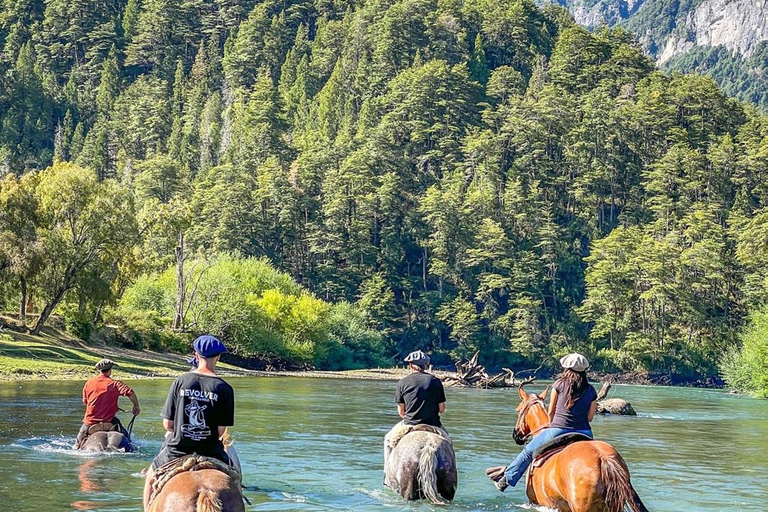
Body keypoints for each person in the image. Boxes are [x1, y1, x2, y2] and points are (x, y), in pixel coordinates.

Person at [142, 335, 235, 510]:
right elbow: (220, 431)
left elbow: (168, 424)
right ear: (218, 357)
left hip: (177, 450)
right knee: (235, 480)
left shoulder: (180, 381)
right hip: (211, 451)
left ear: (196, 355)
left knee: (150, 477)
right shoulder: (224, 388)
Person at [495, 352, 597, 491]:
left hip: (559, 430)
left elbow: (551, 411)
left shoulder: (559, 385)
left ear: (566, 368)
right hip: (585, 432)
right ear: (584, 370)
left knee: (527, 452)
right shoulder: (591, 390)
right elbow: (590, 418)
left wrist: (551, 425)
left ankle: (506, 480)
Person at [384, 350, 447, 468]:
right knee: (448, 444)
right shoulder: (436, 381)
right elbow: (442, 409)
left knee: (388, 440)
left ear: (411, 365)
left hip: (410, 424)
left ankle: (387, 472)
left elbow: (401, 412)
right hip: (434, 424)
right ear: (426, 365)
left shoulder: (402, 382)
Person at [75, 359, 140, 448]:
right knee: (127, 437)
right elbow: (130, 392)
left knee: (79, 440)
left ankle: (77, 446)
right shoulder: (115, 384)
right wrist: (136, 406)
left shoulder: (89, 383)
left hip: (90, 421)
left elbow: (85, 401)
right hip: (110, 421)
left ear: (99, 370)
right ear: (110, 370)